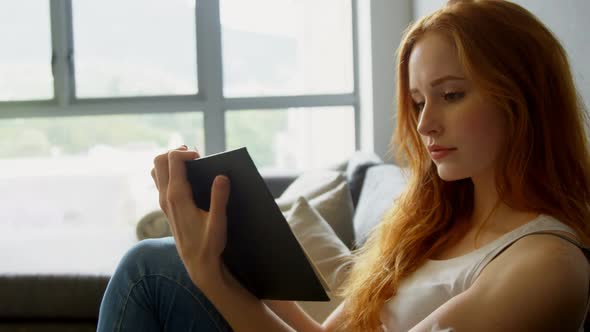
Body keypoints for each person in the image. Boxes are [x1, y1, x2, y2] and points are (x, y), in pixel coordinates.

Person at [97, 0, 590, 331]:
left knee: (150, 269)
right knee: (157, 260)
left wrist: (212, 279)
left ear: (524, 98)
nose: (425, 126)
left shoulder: (546, 265)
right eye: (418, 103)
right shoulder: (433, 227)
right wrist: (239, 262)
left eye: (452, 96)